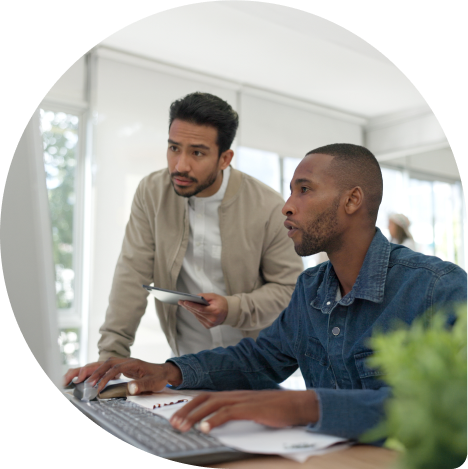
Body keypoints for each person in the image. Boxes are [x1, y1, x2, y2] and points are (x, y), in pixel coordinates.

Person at [65, 143, 468, 441]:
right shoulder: (311, 288)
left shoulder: (438, 288)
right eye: (290, 192)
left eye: (304, 190)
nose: (286, 207)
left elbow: (450, 407)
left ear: (352, 200)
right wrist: (167, 372)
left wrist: (303, 406)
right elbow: (257, 360)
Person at [82, 92, 304, 364]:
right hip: (186, 366)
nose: (180, 165)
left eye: (197, 152)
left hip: (254, 366)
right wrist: (111, 356)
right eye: (174, 148)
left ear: (225, 159)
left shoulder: (268, 206)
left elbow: (289, 290)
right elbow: (131, 274)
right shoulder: (151, 193)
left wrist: (232, 309)